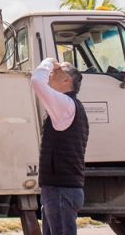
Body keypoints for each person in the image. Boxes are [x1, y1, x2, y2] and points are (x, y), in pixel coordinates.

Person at [30, 57, 88, 235]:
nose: (51, 73)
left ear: (67, 80)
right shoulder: (69, 105)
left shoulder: (65, 104)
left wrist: (49, 61)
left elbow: (36, 81)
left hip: (61, 190)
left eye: (57, 71)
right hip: (59, 189)